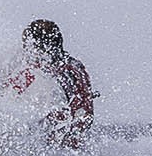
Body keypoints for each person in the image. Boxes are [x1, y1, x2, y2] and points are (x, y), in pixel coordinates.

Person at [6, 19, 95, 148]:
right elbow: (86, 113)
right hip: (70, 144)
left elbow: (7, 97)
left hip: (44, 144)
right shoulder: (76, 67)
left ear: (35, 46)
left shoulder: (36, 71)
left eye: (27, 45)